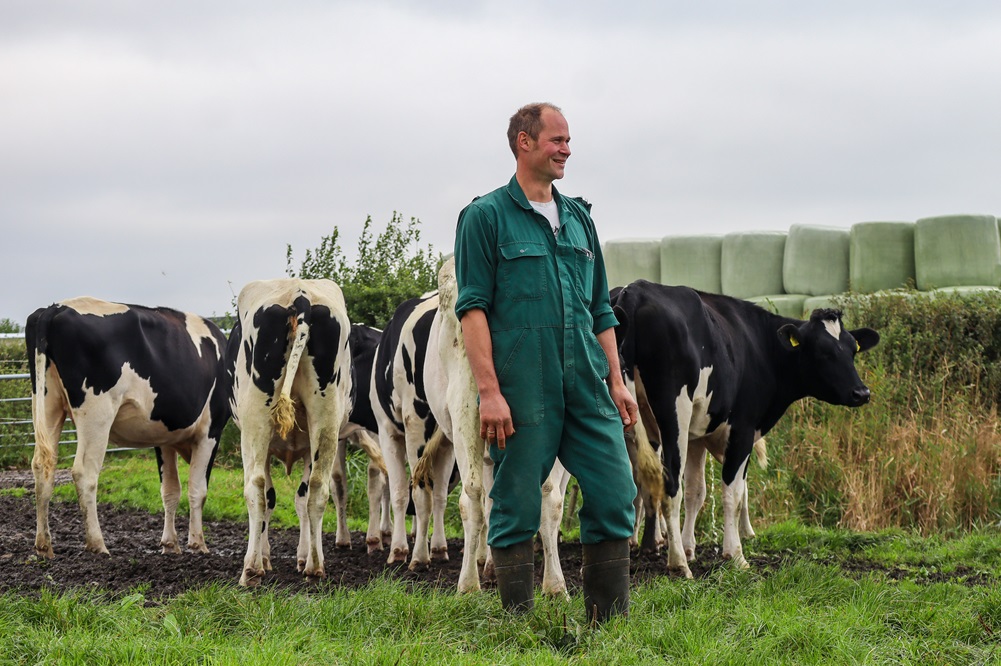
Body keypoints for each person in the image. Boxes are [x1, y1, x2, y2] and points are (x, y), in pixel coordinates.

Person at [453, 102, 638, 624]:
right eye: (556, 140)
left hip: (585, 379)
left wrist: (616, 381)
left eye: (568, 140)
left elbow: (600, 307)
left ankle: (609, 623)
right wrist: (489, 391)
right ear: (523, 143)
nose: (567, 150)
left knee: (615, 489)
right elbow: (472, 309)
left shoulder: (580, 219)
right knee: (514, 503)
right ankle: (519, 627)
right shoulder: (484, 217)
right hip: (522, 384)